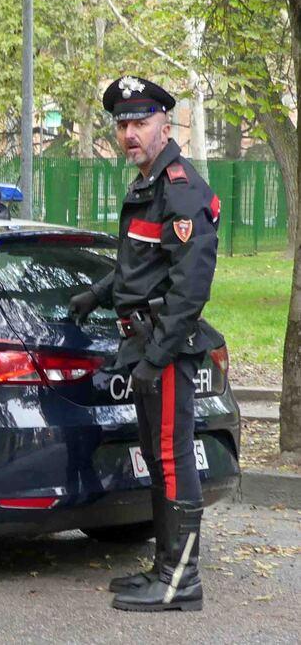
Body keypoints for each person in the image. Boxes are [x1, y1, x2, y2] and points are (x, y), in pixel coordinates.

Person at [68, 76, 222, 612]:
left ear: (165, 123)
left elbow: (189, 291)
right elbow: (140, 268)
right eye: (122, 124)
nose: (130, 133)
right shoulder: (147, 185)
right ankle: (166, 568)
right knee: (158, 459)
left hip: (167, 348)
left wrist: (157, 359)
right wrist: (97, 293)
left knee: (174, 460)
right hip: (144, 344)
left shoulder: (180, 189)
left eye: (140, 122)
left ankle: (183, 581)